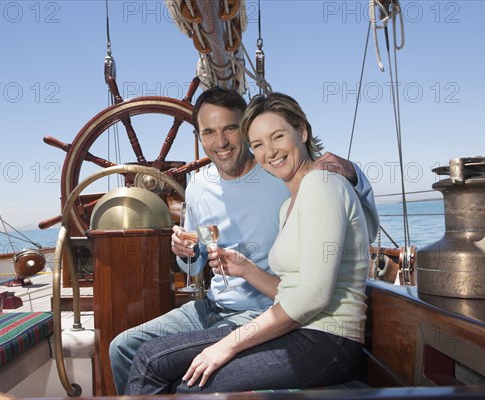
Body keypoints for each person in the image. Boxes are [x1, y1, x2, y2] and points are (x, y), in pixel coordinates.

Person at [109, 87, 378, 394]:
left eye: (230, 129)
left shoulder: (315, 181)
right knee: (125, 348)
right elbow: (200, 263)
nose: (220, 142)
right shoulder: (281, 203)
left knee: (167, 371)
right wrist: (193, 254)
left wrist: (353, 174)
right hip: (218, 305)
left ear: (301, 131)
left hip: (284, 321)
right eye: (209, 132)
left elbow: (356, 239)